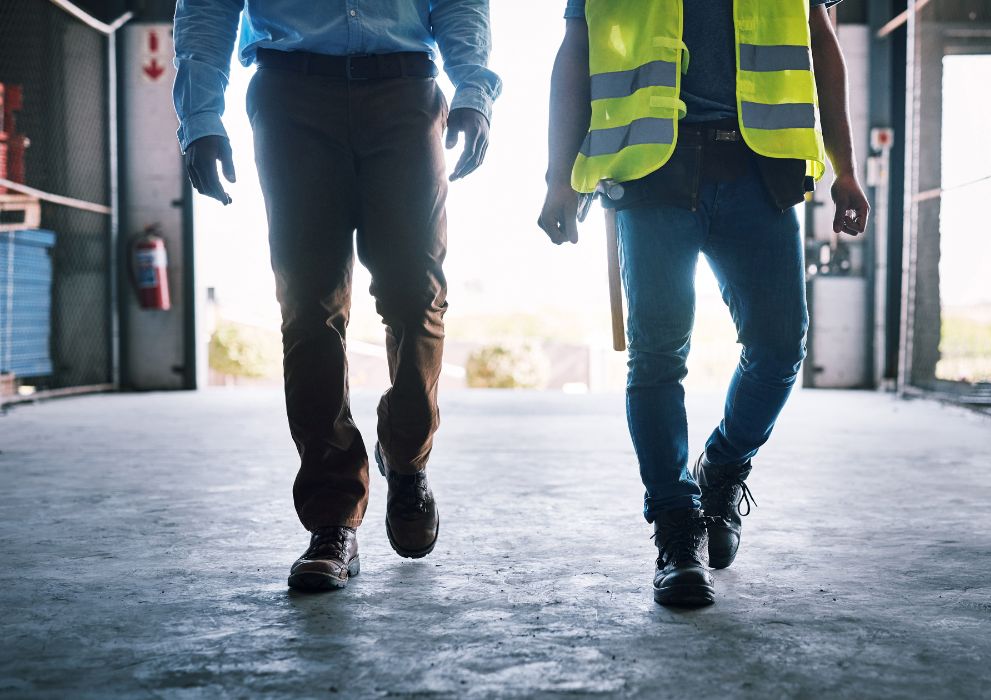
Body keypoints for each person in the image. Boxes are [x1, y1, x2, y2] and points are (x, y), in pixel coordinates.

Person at [539, 0, 869, 606]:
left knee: (779, 347)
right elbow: (577, 50)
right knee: (657, 357)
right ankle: (675, 530)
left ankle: (720, 468)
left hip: (758, 170)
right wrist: (558, 175)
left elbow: (823, 42)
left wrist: (845, 167)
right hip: (651, 171)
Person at [173, 1, 501, 591]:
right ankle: (332, 520)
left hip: (404, 91)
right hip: (291, 94)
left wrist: (474, 88)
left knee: (415, 294)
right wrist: (199, 116)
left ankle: (406, 458)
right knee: (309, 309)